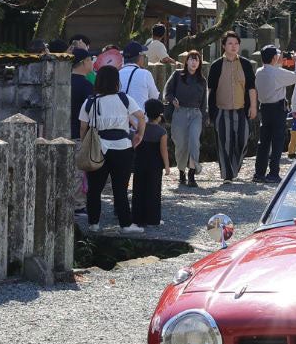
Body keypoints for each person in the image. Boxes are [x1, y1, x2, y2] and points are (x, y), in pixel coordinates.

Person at [79, 64, 146, 234]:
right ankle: (125, 224)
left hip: (99, 147)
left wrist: (86, 143)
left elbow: (83, 127)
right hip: (122, 147)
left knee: (95, 189)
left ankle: (93, 223)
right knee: (120, 188)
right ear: (116, 81)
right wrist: (139, 134)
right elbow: (140, 117)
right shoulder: (124, 99)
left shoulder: (90, 101)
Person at [207, 32, 257, 182]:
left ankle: (234, 167)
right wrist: (210, 112)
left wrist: (253, 106)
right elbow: (210, 90)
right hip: (221, 110)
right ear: (223, 46)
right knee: (224, 143)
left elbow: (251, 88)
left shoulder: (246, 64)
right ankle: (227, 175)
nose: (234, 46)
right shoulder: (216, 65)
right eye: (230, 43)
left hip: (241, 109)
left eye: (236, 43)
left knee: (243, 140)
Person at [254, 44, 296, 182]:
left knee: (264, 141)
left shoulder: (259, 71)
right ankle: (273, 173)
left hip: (264, 108)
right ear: (273, 58)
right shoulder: (277, 73)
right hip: (278, 108)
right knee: (277, 141)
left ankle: (259, 173)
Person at [165, 50, 207, 188]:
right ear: (186, 61)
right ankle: (182, 172)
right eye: (191, 59)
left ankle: (192, 174)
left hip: (196, 114)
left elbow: (203, 103)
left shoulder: (202, 80)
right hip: (180, 112)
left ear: (199, 63)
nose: (194, 62)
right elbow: (167, 91)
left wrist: (204, 119)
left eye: (197, 60)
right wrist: (172, 99)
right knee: (181, 145)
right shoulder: (177, 75)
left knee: (194, 142)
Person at [129, 99, 171, 228]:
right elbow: (163, 151)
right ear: (159, 115)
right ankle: (153, 219)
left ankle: (137, 218)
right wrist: (167, 166)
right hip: (155, 165)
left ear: (146, 113)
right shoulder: (162, 132)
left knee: (138, 189)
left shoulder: (141, 128)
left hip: (140, 162)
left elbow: (135, 143)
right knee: (153, 191)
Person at [67, 48, 95, 138]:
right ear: (84, 62)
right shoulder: (86, 85)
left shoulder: (64, 82)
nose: (92, 63)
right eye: (91, 60)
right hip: (79, 134)